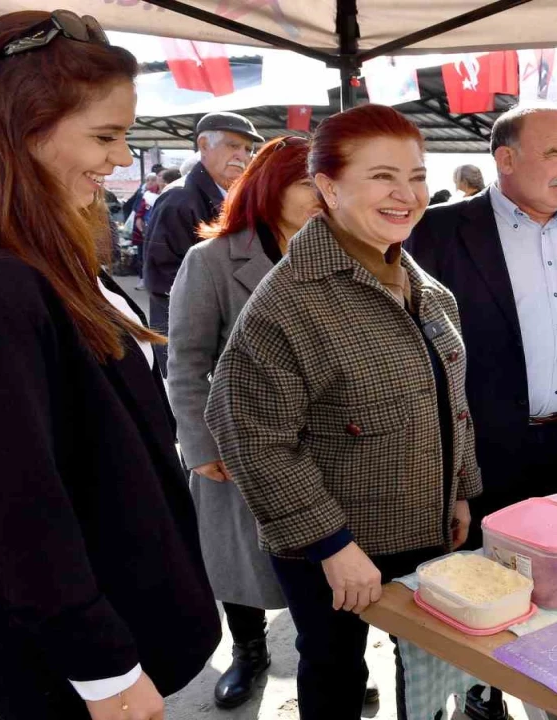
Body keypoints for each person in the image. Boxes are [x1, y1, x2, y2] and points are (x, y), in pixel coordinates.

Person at [0, 11, 220, 720]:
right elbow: (17, 507)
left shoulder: (29, 251)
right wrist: (102, 669)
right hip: (65, 665)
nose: (120, 158)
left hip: (109, 624)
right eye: (104, 135)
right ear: (19, 127)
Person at [205, 104, 481, 720]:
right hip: (339, 542)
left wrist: (461, 490)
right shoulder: (290, 300)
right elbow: (252, 437)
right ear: (328, 186)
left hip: (427, 519)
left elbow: (449, 401)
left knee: (427, 661)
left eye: (415, 175)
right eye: (382, 176)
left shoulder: (421, 284)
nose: (406, 194)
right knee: (334, 664)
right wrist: (331, 544)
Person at [406, 104, 557, 547]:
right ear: (505, 159)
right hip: (489, 451)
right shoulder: (438, 230)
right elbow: (416, 347)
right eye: (555, 154)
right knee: (493, 580)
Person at [167, 136, 318, 709]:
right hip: (240, 441)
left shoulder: (340, 253)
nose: (320, 197)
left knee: (322, 559)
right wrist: (200, 443)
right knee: (239, 557)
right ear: (270, 186)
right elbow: (185, 359)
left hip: (323, 443)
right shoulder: (211, 260)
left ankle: (323, 654)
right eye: (307, 183)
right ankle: (249, 651)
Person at [144, 112, 261, 372]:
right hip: (188, 340)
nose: (242, 155)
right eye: (233, 145)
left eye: (247, 149)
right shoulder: (180, 199)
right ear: (204, 146)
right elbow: (162, 277)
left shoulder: (233, 196)